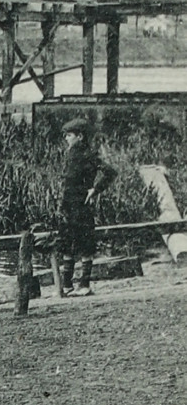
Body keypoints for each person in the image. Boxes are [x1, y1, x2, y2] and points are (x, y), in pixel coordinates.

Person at [56, 117, 116, 297]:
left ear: (80, 136)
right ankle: (67, 286)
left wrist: (95, 190)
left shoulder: (88, 155)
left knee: (84, 245)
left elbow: (110, 172)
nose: (66, 138)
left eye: (69, 135)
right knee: (67, 244)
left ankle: (84, 285)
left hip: (81, 206)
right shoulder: (69, 155)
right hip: (68, 206)